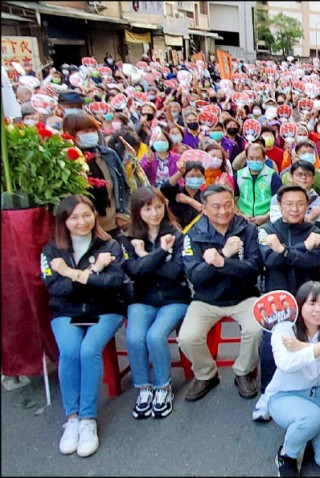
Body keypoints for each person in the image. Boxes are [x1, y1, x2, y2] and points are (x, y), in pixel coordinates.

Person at [40, 195, 126, 457]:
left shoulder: (110, 245)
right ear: (64, 221)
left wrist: (71, 273)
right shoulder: (51, 251)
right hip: (66, 311)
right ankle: (73, 418)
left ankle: (88, 419)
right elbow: (54, 288)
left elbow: (114, 283)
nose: (82, 222)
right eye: (74, 217)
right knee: (69, 352)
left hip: (105, 308)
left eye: (86, 215)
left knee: (89, 350)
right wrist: (91, 273)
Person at [177, 185, 263, 402]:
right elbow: (195, 276)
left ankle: (243, 371)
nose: (223, 211)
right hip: (206, 299)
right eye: (216, 207)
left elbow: (254, 269)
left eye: (228, 205)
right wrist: (224, 254)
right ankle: (206, 374)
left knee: (256, 330)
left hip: (244, 296)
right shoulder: (193, 235)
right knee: (187, 337)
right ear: (204, 209)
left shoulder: (248, 230)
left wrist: (221, 262)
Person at [119, 187, 190, 419]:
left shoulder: (176, 234)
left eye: (158, 207)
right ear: (137, 211)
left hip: (174, 297)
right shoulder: (128, 239)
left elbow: (176, 271)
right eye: (148, 208)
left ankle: (163, 387)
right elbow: (135, 273)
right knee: (134, 336)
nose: (154, 213)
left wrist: (146, 258)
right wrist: (160, 254)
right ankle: (143, 387)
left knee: (155, 336)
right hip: (142, 298)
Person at [266, 282, 320, 477]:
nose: (318, 309)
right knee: (311, 418)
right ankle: (287, 454)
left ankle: (308, 434)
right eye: (312, 303)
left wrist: (302, 347)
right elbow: (286, 363)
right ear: (299, 304)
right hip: (285, 395)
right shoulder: (284, 329)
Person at [256, 185, 320, 406]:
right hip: (277, 300)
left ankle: (316, 388)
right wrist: (301, 248)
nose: (295, 209)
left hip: (309, 300)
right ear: (280, 205)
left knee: (315, 346)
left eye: (300, 204)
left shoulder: (316, 231)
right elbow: (270, 261)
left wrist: (284, 250)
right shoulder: (267, 230)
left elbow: (312, 261)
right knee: (269, 347)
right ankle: (267, 393)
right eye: (289, 203)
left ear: (307, 206)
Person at [63, 112, 131, 237]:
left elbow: (122, 184)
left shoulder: (108, 154)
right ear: (71, 134)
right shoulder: (66, 160)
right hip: (82, 227)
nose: (91, 134)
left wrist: (122, 213)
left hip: (112, 225)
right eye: (85, 131)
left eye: (93, 130)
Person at [270, 161, 320, 232]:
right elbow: (279, 227)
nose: (304, 177)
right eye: (299, 174)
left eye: (308, 174)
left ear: (313, 179)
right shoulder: (278, 198)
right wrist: (310, 218)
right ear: (291, 177)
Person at [235, 142, 283, 227]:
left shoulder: (273, 176)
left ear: (264, 158)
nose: (254, 161)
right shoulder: (239, 175)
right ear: (246, 158)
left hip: (267, 222)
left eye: (258, 158)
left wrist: (265, 216)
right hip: (242, 221)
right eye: (251, 158)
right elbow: (233, 199)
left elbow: (279, 202)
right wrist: (241, 215)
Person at [161, 161, 205, 230]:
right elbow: (165, 188)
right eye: (192, 176)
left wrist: (190, 201)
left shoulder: (205, 195)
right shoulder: (176, 192)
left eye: (199, 176)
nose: (196, 179)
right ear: (183, 178)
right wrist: (180, 173)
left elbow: (208, 212)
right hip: (176, 231)